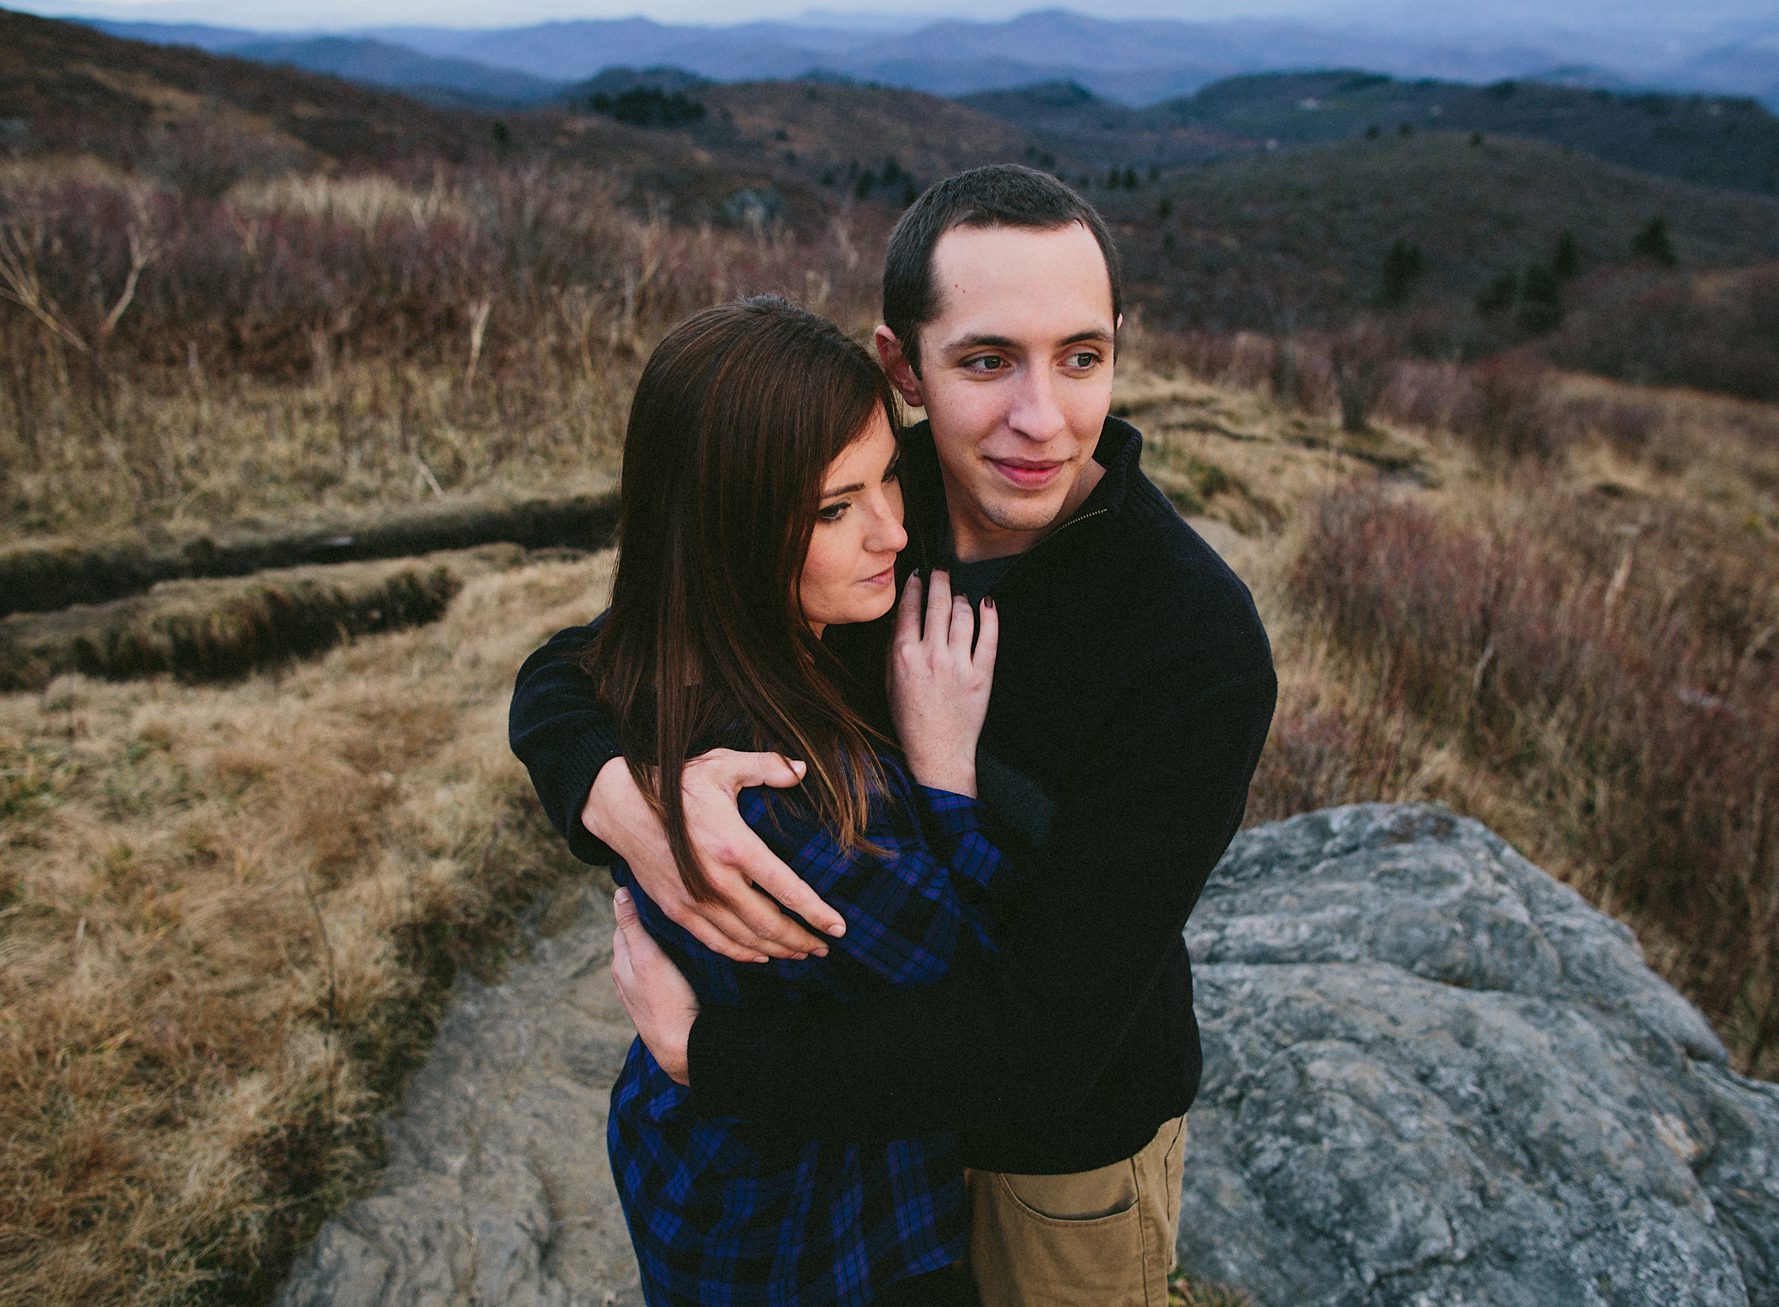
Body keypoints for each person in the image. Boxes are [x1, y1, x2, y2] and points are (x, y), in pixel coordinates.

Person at [512, 166, 1277, 1307]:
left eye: (1081, 356)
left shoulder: (1192, 643)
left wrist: (712, 1060)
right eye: (984, 360)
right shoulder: (862, 494)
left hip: (1050, 1162)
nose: (1042, 417)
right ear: (899, 364)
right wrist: (629, 799)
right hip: (839, 1160)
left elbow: (1046, 1036)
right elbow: (580, 666)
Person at [553, 294, 1008, 1306]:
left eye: (889, 475)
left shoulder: (665, 655)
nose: (893, 530)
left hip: (701, 1168)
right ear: (729, 527)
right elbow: (982, 984)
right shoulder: (777, 792)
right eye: (834, 508)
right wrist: (944, 770)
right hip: (810, 1231)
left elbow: (560, 673)